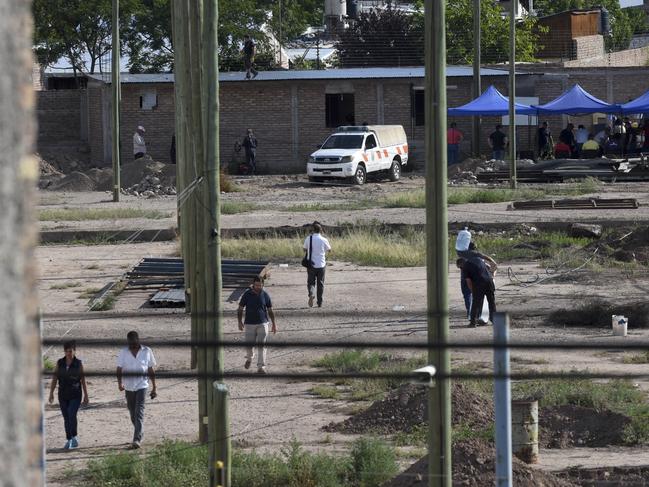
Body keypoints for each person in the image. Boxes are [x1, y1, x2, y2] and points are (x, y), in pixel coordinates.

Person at [116, 331, 157, 449]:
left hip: (142, 385)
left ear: (138, 340)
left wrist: (154, 387)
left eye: (134, 342)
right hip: (128, 387)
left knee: (139, 411)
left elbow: (150, 370)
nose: (132, 345)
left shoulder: (147, 351)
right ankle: (140, 431)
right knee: (132, 413)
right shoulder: (123, 352)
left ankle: (136, 439)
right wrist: (120, 384)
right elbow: (119, 369)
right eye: (130, 343)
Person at [48, 340, 89, 450]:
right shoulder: (59, 363)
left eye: (71, 351)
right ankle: (71, 439)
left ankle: (72, 437)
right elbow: (55, 378)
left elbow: (83, 380)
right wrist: (51, 393)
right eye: (67, 351)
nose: (69, 354)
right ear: (64, 352)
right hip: (62, 394)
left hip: (75, 394)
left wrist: (86, 395)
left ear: (75, 351)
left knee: (71, 414)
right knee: (66, 417)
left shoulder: (79, 363)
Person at [238, 276, 277, 374]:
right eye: (256, 285)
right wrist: (239, 321)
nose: (258, 287)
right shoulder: (247, 294)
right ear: (253, 284)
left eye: (260, 285)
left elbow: (270, 310)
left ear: (263, 284)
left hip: (263, 323)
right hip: (249, 324)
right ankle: (250, 358)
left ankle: (261, 367)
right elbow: (240, 308)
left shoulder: (265, 294)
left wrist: (274, 324)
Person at [455, 229, 498, 319]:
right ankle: (482, 316)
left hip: (470, 278)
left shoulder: (461, 252)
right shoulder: (475, 256)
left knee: (470, 297)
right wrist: (492, 265)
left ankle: (472, 316)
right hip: (480, 280)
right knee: (487, 300)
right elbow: (489, 265)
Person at [458, 256, 496, 328]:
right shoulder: (480, 260)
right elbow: (491, 268)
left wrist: (472, 291)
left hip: (479, 284)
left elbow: (468, 281)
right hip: (489, 282)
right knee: (491, 302)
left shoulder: (466, 266)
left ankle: (473, 322)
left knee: (475, 304)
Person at [303, 221, 332, 308]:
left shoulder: (309, 238)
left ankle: (311, 294)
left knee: (311, 282)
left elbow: (304, 249)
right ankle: (319, 302)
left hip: (311, 264)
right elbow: (329, 250)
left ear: (313, 230)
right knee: (320, 283)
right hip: (321, 264)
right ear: (321, 230)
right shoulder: (324, 239)